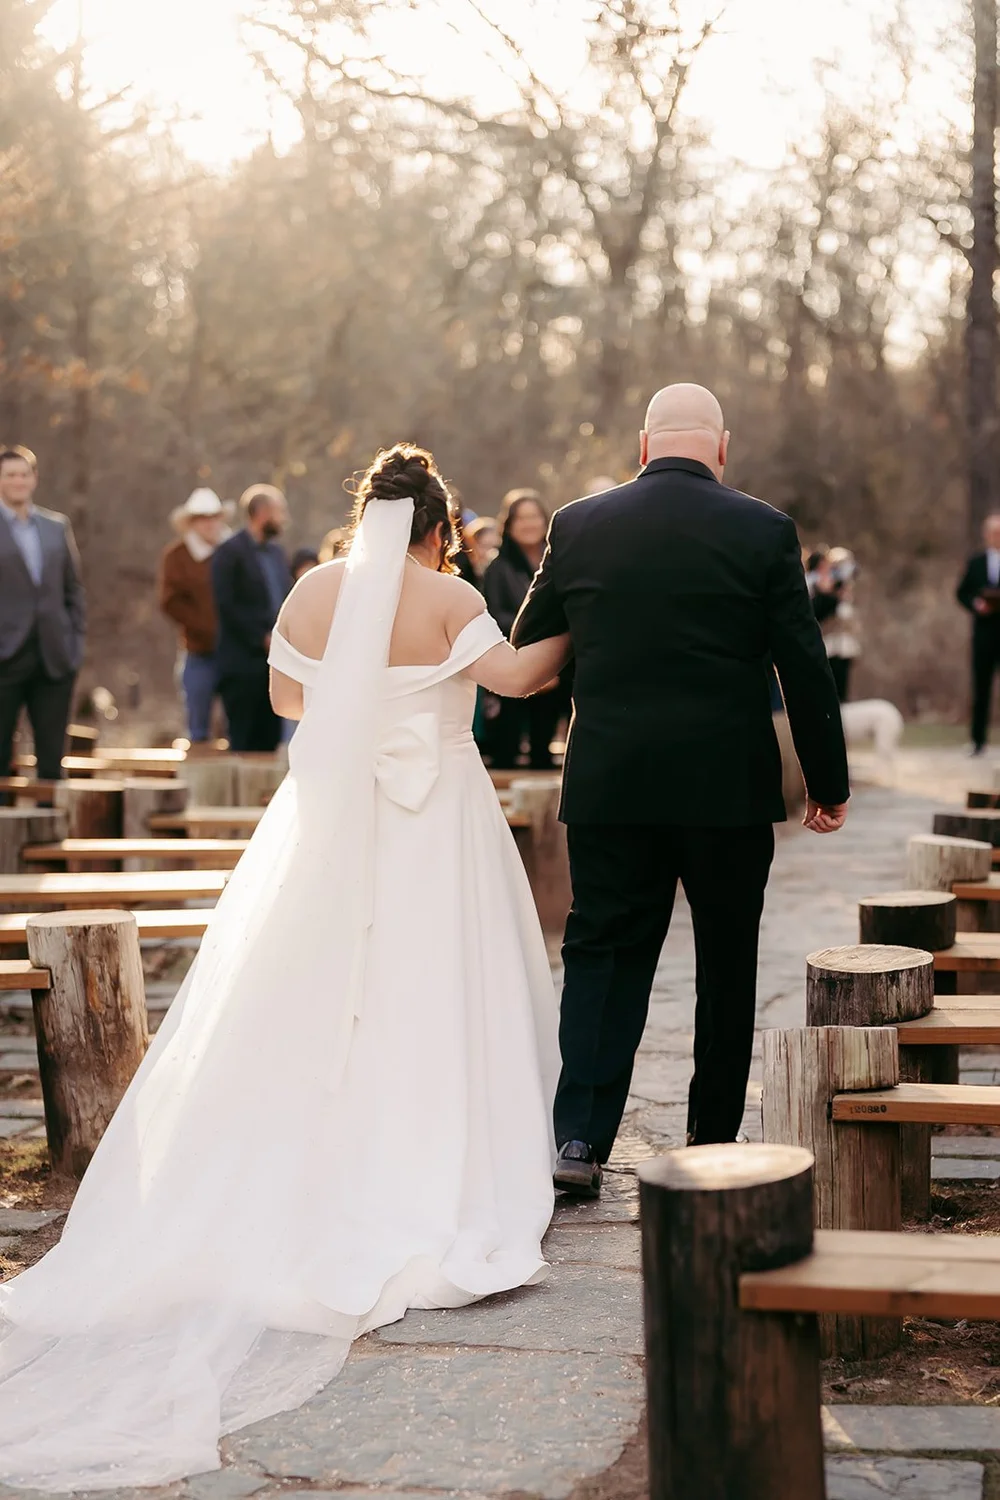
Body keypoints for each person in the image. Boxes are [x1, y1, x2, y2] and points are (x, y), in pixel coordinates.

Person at [0, 443, 568, 1491]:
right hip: (435, 822)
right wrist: (577, 613)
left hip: (330, 826)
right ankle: (428, 1155)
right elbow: (522, 677)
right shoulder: (446, 599)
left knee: (319, 1000)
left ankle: (299, 1162)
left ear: (366, 513)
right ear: (440, 528)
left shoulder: (313, 590)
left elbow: (287, 700)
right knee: (431, 997)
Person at [512, 383, 850, 1196]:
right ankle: (710, 1140)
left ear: (643, 444)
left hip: (611, 780)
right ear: (722, 447)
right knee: (726, 962)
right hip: (724, 785)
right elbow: (802, 664)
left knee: (602, 954)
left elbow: (529, 641)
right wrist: (827, 780)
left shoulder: (578, 525)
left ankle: (581, 1142)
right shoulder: (764, 531)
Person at [0, 446, 85, 788]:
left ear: (34, 479)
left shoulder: (55, 526)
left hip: (54, 656)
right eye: (10, 475)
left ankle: (52, 833)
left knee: (52, 761)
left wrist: (74, 645)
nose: (18, 481)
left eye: (24, 474)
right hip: (5, 655)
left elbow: (73, 591)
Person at [484, 490, 564, 770]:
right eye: (522, 518)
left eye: (535, 517)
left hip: (556, 664)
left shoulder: (562, 559)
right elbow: (495, 614)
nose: (529, 524)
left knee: (544, 742)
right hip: (512, 660)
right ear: (509, 524)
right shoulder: (498, 566)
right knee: (508, 741)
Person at [211, 484, 292, 752]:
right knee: (243, 743)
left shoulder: (277, 554)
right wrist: (260, 637)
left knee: (270, 742)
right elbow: (227, 605)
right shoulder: (229, 553)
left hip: (273, 666)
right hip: (241, 665)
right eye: (279, 512)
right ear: (261, 513)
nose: (283, 519)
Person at [158, 488, 231, 744]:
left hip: (236, 650)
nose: (210, 523)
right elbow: (170, 602)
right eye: (203, 517)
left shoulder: (234, 550)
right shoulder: (177, 556)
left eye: (214, 516)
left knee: (237, 726)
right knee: (198, 725)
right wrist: (206, 627)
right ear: (192, 522)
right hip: (199, 650)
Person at [958, 514, 1000, 754]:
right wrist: (976, 604)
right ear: (986, 534)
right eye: (993, 532)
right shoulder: (976, 562)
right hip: (983, 633)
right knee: (981, 687)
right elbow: (962, 592)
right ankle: (978, 740)